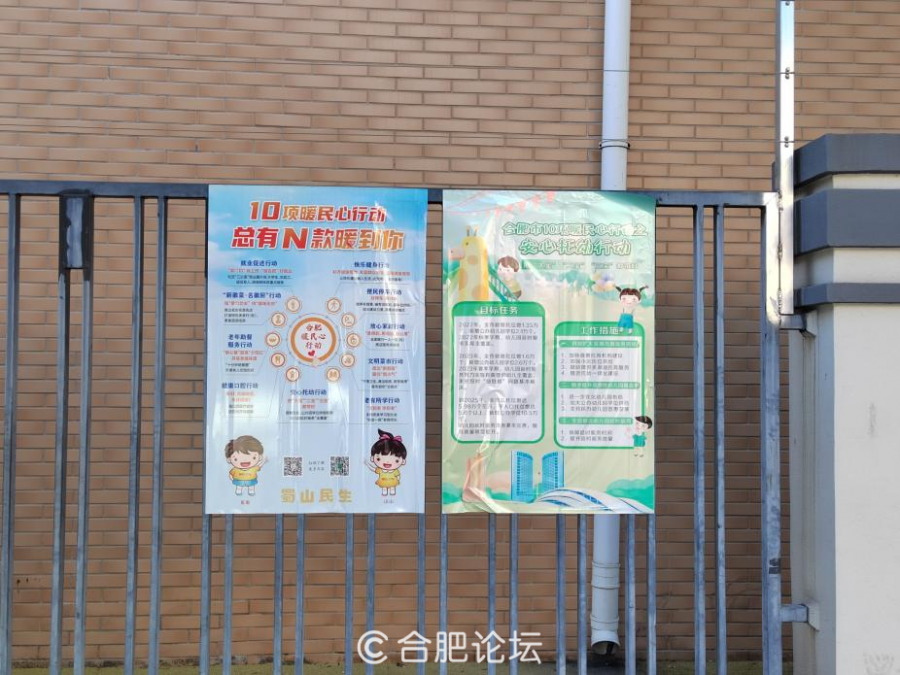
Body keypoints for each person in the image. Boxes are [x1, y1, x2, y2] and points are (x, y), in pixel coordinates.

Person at [365, 429, 407, 497]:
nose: (387, 462)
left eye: (396, 460)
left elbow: (398, 475)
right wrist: (367, 463)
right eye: (378, 459)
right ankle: (385, 492)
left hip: (393, 482)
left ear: (403, 461)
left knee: (392, 487)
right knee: (384, 488)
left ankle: (392, 491)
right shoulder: (380, 470)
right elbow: (373, 468)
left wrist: (398, 479)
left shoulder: (395, 471)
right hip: (383, 482)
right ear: (372, 458)